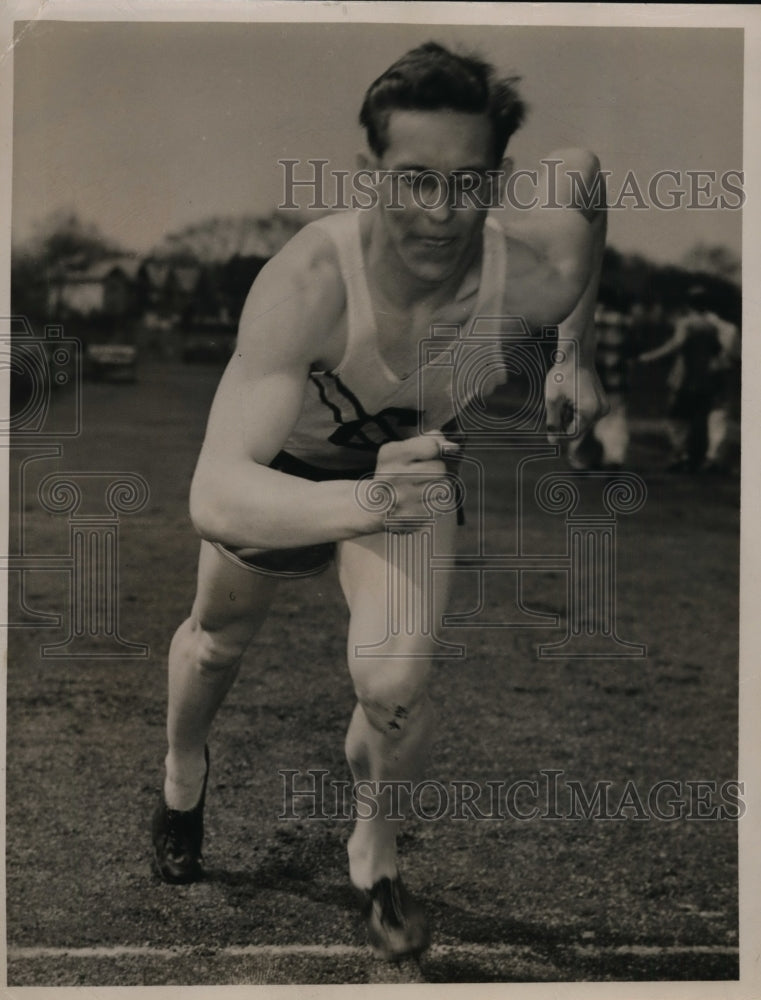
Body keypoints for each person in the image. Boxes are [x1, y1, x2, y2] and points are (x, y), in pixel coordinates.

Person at [150, 41, 608, 961]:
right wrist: (360, 502)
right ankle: (181, 776)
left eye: (468, 181)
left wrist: (574, 354)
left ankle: (376, 843)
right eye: (413, 181)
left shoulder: (531, 271)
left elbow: (582, 175)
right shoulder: (310, 285)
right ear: (369, 174)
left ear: (497, 179)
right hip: (288, 474)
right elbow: (216, 490)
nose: (439, 215)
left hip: (408, 474)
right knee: (215, 643)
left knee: (396, 683)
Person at [636, 285, 740, 473]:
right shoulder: (715, 326)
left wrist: (650, 356)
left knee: (677, 417)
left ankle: (681, 454)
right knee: (700, 418)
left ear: (689, 304)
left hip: (685, 377)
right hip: (707, 380)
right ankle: (700, 457)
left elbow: (676, 344)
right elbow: (725, 353)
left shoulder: (687, 323)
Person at [566, 301, 633, 471]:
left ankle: (580, 459)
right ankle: (614, 457)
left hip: (589, 378)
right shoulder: (625, 320)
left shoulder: (586, 318)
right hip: (616, 379)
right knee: (614, 418)